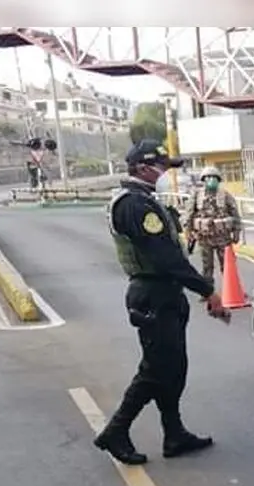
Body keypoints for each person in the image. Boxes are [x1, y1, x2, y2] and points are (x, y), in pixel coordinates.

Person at [96, 139, 228, 466]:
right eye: (161, 166)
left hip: (165, 294)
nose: (165, 172)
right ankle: (115, 430)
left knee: (174, 368)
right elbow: (167, 257)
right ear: (142, 167)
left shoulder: (144, 200)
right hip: (152, 295)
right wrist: (206, 290)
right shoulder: (134, 205)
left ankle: (174, 432)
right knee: (155, 370)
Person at [184, 166, 242, 284]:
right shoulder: (196, 195)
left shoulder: (225, 195)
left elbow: (235, 214)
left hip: (223, 237)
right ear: (203, 180)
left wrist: (236, 232)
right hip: (204, 237)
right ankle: (208, 291)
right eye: (208, 177)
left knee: (228, 265)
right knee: (207, 266)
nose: (211, 179)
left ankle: (232, 289)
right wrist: (188, 231)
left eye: (214, 177)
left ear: (218, 180)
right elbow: (189, 213)